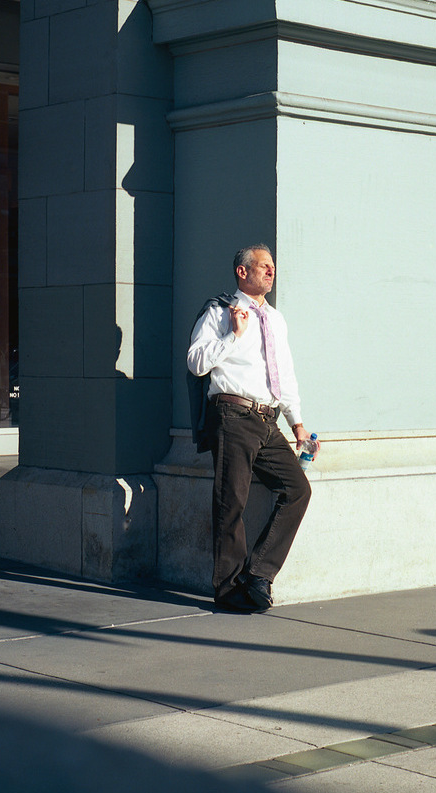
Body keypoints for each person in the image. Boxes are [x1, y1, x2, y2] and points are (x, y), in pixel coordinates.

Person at [187, 245, 317, 613]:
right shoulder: (219, 311)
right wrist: (233, 335)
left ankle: (258, 574)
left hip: (267, 420)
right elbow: (196, 362)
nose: (271, 272)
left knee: (297, 490)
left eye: (273, 267)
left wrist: (299, 426)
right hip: (233, 415)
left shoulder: (276, 319)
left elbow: (284, 375)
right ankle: (228, 589)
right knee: (232, 503)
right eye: (264, 266)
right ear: (242, 272)